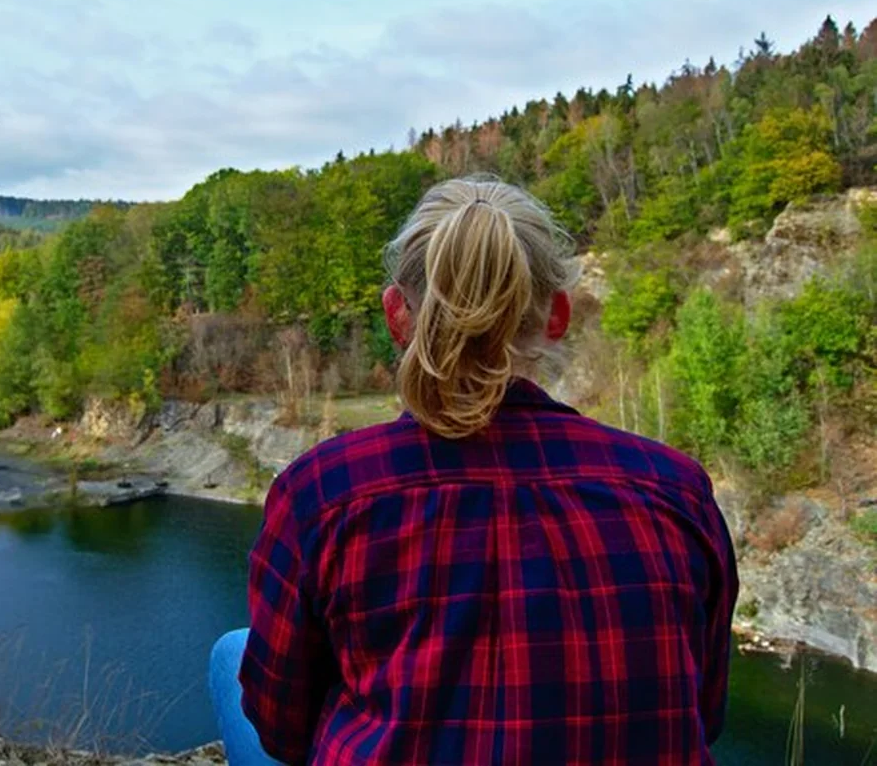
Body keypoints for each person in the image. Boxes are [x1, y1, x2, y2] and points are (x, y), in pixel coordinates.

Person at [209, 176, 738, 765]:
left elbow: (281, 728)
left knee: (233, 655)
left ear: (397, 316)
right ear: (557, 315)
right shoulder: (675, 489)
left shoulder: (324, 492)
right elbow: (705, 712)